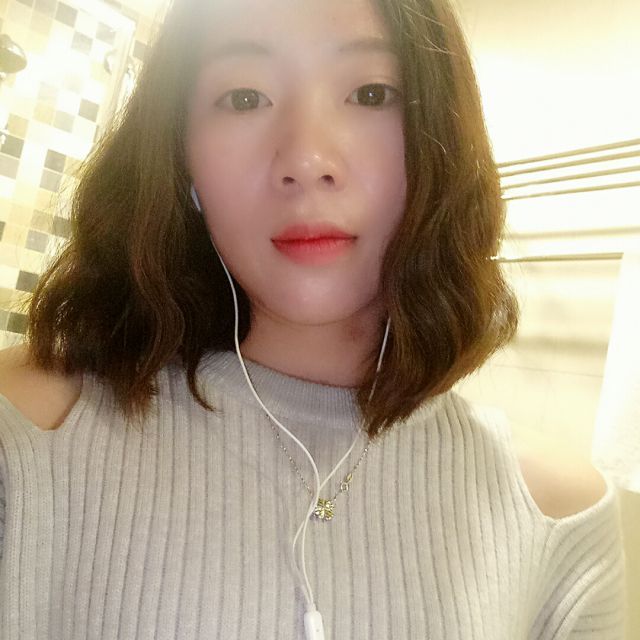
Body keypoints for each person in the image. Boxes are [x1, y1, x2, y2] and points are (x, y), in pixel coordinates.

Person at [0, 0, 626, 638]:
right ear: (181, 158)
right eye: (244, 98)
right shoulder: (23, 432)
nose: (305, 159)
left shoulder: (558, 515)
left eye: (371, 93)